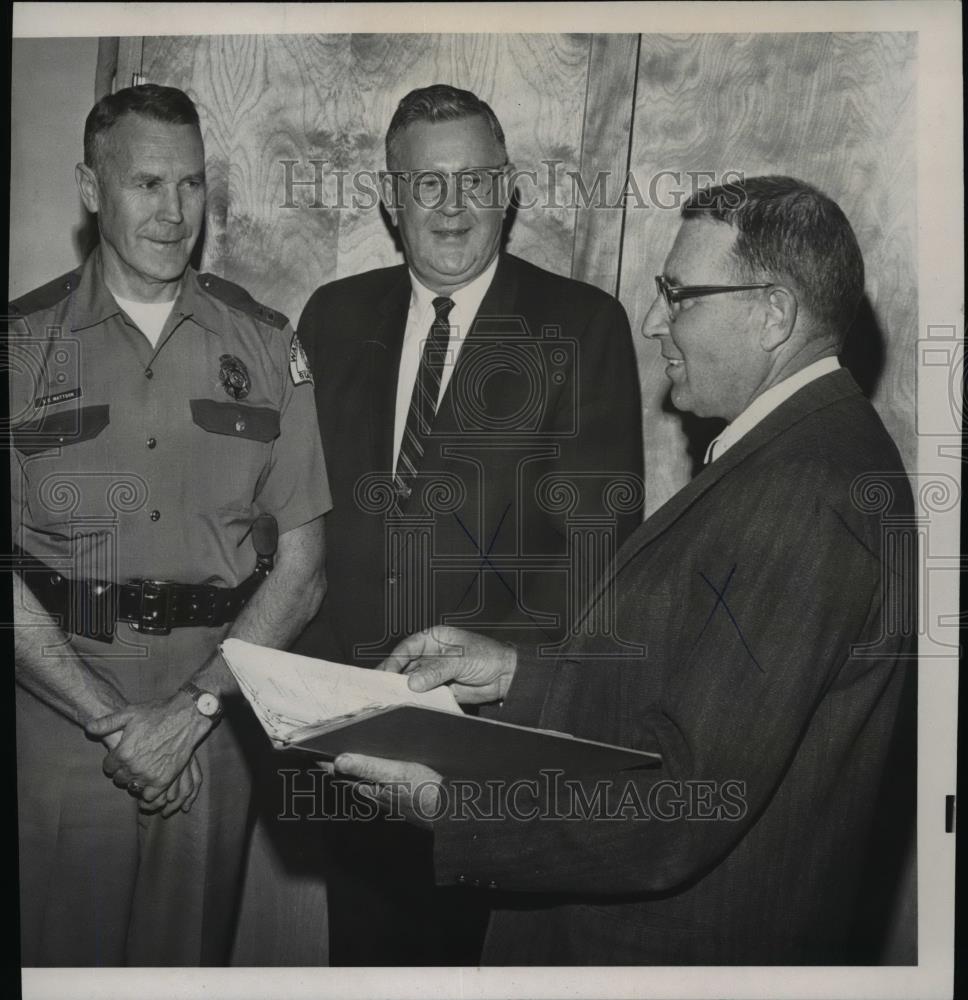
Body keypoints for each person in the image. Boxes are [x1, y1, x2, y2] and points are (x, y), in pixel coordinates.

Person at [332, 176, 917, 964]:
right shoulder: (791, 457)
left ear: (774, 313)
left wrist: (455, 804)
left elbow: (685, 800)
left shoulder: (807, 491)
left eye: (680, 296)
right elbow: (681, 690)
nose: (653, 322)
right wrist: (514, 674)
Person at [293, 84, 644, 964]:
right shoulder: (331, 317)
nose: (452, 207)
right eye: (427, 184)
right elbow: (296, 515)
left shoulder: (581, 323)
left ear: (510, 189)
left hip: (492, 741)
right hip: (349, 735)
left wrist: (498, 688)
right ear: (388, 196)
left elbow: (596, 547)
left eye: (475, 181)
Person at [8, 84, 331, 966]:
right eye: (147, 185)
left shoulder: (265, 344)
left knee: (179, 969)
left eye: (191, 186)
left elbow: (303, 568)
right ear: (89, 187)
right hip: (57, 728)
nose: (174, 212)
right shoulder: (18, 348)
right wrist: (112, 719)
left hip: (211, 721)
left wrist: (188, 714)